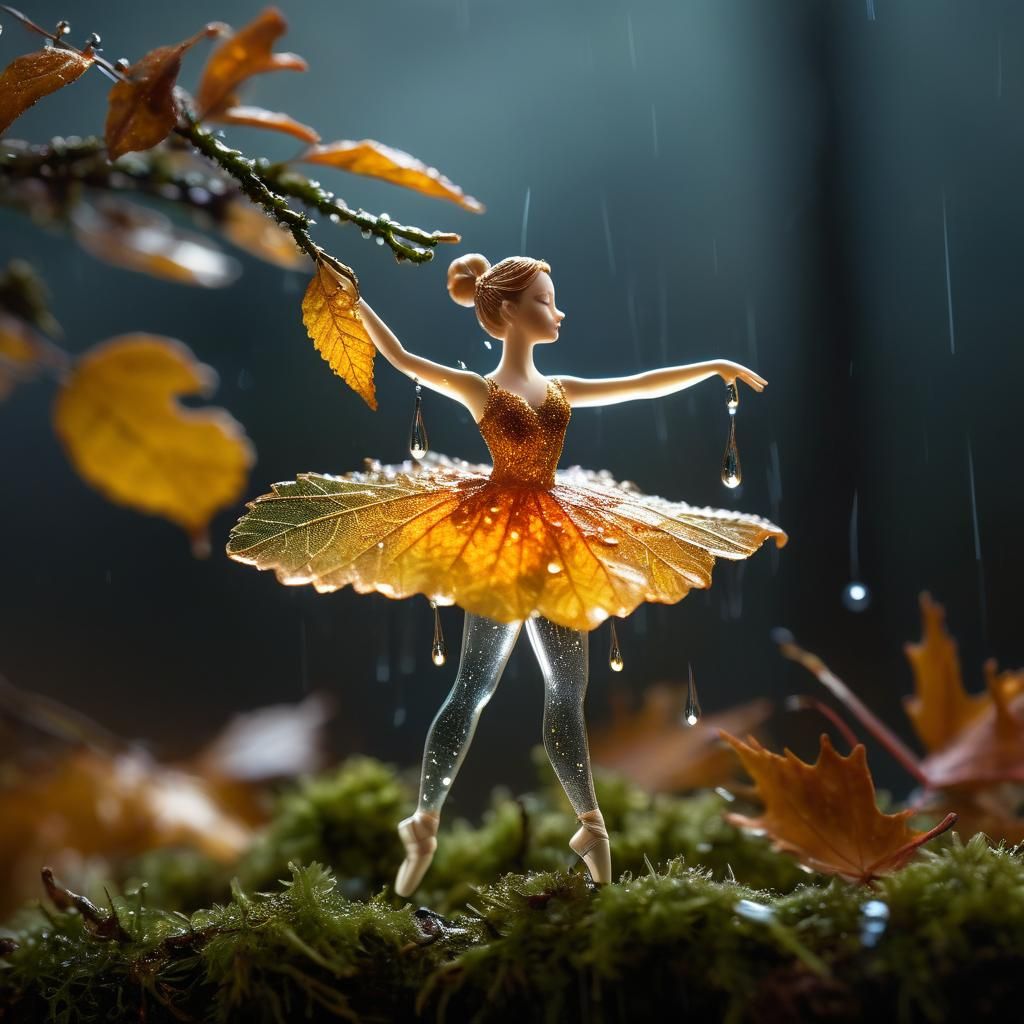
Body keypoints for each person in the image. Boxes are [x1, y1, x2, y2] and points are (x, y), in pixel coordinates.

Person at [227, 254, 786, 897]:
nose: (559, 311)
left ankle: (590, 823)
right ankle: (426, 820)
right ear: (512, 314)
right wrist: (351, 302)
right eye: (547, 301)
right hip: (497, 537)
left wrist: (712, 368)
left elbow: (639, 384)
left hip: (557, 533)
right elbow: (406, 359)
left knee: (565, 693)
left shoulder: (561, 389)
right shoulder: (481, 390)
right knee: (473, 687)